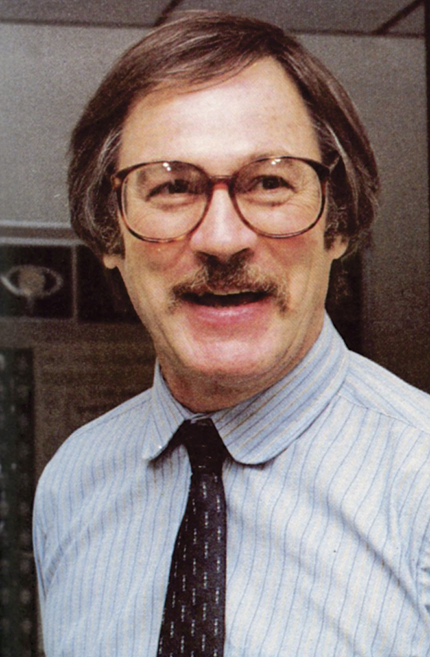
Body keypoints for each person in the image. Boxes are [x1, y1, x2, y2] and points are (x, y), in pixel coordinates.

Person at [33, 11, 430, 656]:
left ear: (338, 222)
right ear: (109, 234)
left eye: (270, 182)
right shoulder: (71, 483)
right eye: (172, 187)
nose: (222, 239)